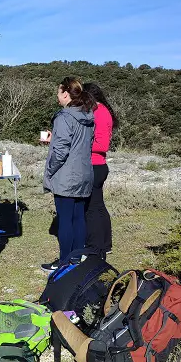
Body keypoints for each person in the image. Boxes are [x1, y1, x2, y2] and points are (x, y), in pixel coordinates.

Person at [42, 77, 96, 271]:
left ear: (65, 93)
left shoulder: (64, 117)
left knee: (65, 219)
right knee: (78, 216)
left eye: (58, 92)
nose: (57, 96)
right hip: (84, 173)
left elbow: (61, 151)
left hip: (66, 175)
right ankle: (77, 259)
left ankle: (64, 261)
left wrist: (49, 170)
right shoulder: (89, 116)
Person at [83, 83, 117, 256]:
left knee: (92, 208)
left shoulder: (100, 112)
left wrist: (80, 145)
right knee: (98, 206)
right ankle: (105, 244)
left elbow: (102, 144)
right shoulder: (101, 111)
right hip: (97, 165)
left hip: (95, 165)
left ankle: (96, 246)